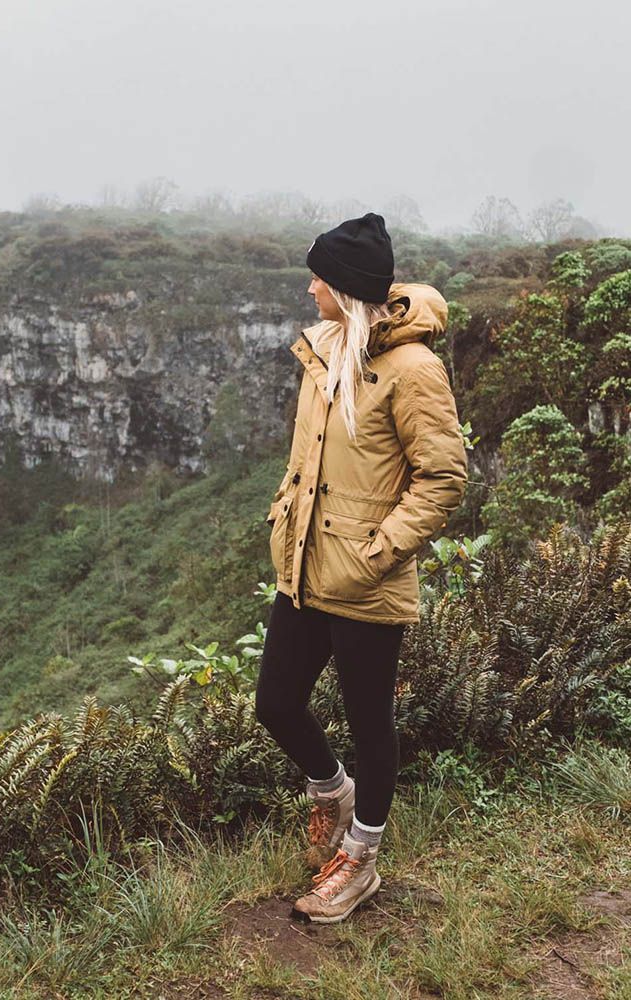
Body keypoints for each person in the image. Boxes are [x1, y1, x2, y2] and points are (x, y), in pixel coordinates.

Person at [255, 212, 468, 924]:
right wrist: (283, 511)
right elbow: (308, 463)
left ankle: (361, 859)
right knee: (275, 704)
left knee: (369, 723)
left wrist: (379, 551)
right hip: (306, 567)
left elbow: (442, 478)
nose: (308, 283)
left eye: (318, 275)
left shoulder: (412, 369)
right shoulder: (323, 347)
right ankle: (330, 793)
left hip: (367, 577)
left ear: (344, 288)